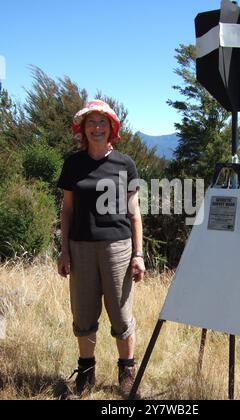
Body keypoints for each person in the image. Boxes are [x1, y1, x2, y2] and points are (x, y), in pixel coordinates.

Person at [57, 100, 145, 398]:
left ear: (112, 128)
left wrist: (138, 254)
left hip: (118, 248)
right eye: (91, 123)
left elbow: (134, 213)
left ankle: (127, 372)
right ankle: (86, 372)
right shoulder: (73, 164)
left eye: (102, 123)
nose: (96, 128)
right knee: (83, 315)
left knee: (121, 314)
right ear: (82, 129)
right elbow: (66, 210)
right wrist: (64, 250)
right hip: (80, 248)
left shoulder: (125, 164)